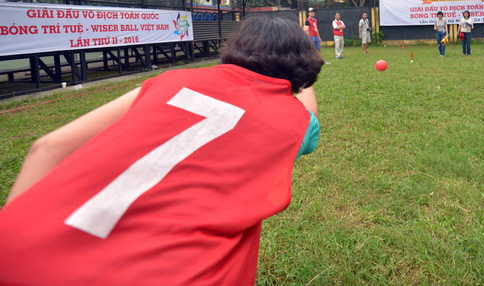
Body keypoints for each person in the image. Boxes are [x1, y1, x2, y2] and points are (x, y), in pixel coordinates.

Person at [0, 15, 323, 286]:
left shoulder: (169, 81)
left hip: (17, 250)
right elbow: (309, 116)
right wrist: (303, 78)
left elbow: (46, 147)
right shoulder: (293, 121)